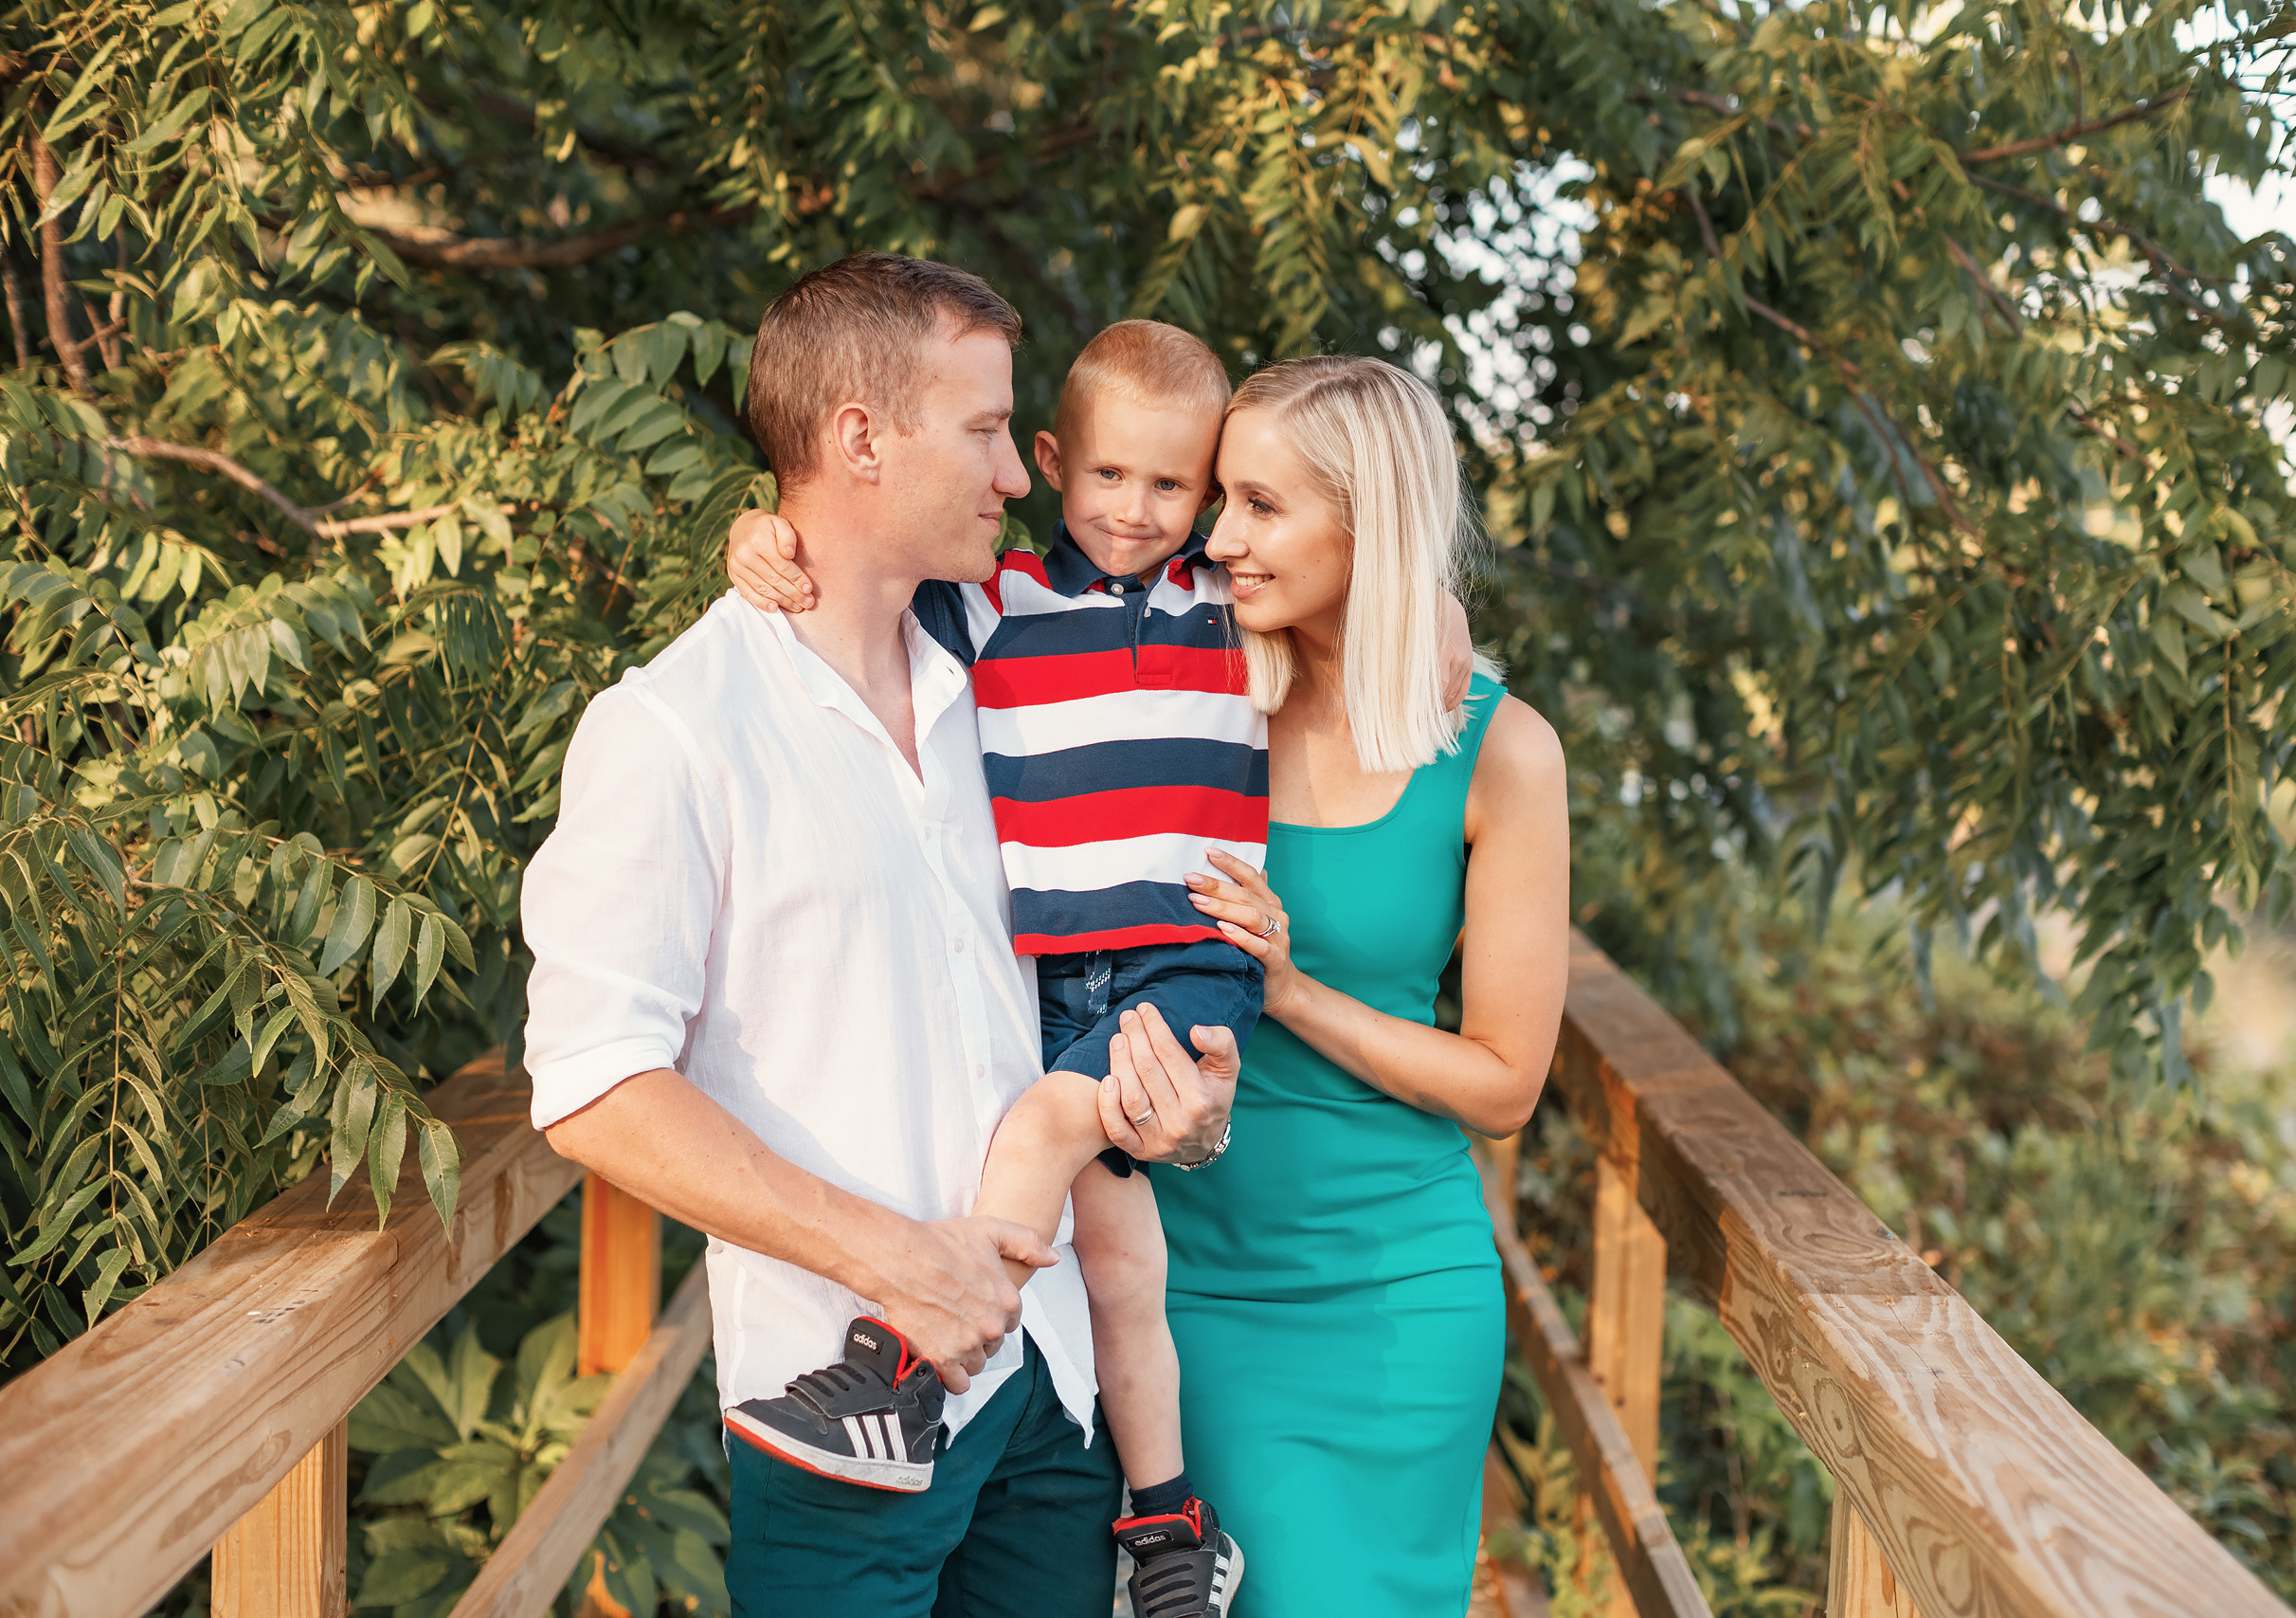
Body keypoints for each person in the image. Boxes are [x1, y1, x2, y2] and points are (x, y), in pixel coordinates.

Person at [722, 318, 1477, 1618]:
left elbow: (1399, 610)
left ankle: (903, 1364)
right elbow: (861, 576)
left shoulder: (1220, 611)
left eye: (1181, 487)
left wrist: (1438, 603)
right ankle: (1168, 1525)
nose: (1145, 512)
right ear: (1059, 463)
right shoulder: (999, 603)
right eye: (1112, 478)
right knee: (1122, 1261)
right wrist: (760, 539)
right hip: (1058, 980)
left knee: (1041, 1124)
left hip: (1187, 965)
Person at [519, 253, 1237, 1618]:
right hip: (846, 1415)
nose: (1017, 476)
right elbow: (594, 1088)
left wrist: (1187, 1109)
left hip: (1056, 1381)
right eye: (981, 432)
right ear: (860, 438)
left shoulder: (1014, 676)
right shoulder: (675, 730)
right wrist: (892, 1259)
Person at [1152, 356, 1571, 1615]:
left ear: (1369, 521)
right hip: (1176, 1284)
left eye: (1263, 507)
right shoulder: (1184, 682)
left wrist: (1288, 990)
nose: (1220, 538)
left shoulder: (1502, 751)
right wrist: (766, 538)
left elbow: (1504, 1084)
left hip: (1397, 1299)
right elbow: (983, 607)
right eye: (1222, 498)